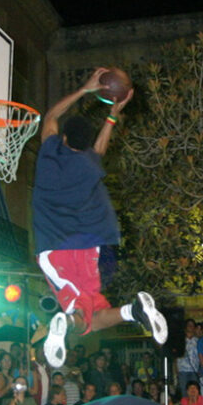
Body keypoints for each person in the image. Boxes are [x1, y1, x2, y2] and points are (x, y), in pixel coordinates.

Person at [33, 68, 167, 368]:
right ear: (84, 145)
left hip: (64, 246)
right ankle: (133, 311)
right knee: (92, 313)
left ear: (63, 137)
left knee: (80, 309)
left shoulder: (50, 153)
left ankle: (68, 322)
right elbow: (100, 148)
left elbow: (51, 115)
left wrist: (85, 89)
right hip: (80, 245)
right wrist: (112, 115)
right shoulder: (89, 164)